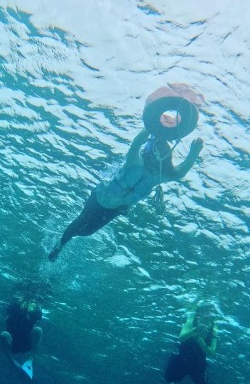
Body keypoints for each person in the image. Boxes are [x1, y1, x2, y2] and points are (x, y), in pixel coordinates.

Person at [48, 84, 205, 261]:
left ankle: (63, 243)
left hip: (115, 209)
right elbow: (137, 144)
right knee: (79, 224)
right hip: (100, 198)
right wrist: (152, 127)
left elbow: (179, 173)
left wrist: (194, 153)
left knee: (87, 232)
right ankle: (59, 247)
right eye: (156, 149)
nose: (157, 153)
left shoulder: (159, 176)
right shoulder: (135, 161)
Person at [165, 303, 218, 384]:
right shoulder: (192, 320)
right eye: (204, 313)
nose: (206, 317)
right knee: (169, 379)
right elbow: (181, 338)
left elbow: (211, 353)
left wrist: (199, 339)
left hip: (199, 362)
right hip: (183, 358)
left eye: (209, 314)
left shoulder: (214, 328)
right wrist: (195, 330)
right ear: (199, 314)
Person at [0, 296, 44, 379]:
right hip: (13, 344)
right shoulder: (14, 308)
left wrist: (35, 308)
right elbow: (7, 315)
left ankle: (31, 359)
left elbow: (39, 316)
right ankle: (12, 361)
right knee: (3, 334)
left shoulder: (33, 311)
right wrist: (18, 305)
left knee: (38, 330)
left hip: (27, 343)